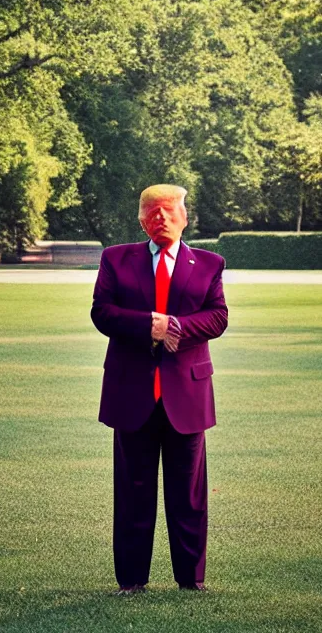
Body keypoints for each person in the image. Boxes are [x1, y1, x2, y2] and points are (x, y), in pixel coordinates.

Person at [91, 184, 228, 595]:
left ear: (185, 217)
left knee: (188, 494)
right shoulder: (116, 259)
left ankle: (192, 580)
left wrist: (177, 328)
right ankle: (131, 581)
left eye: (169, 211)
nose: (160, 218)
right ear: (140, 219)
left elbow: (218, 317)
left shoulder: (208, 263)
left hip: (185, 395)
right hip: (132, 393)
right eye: (151, 212)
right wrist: (147, 326)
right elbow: (102, 311)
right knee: (133, 492)